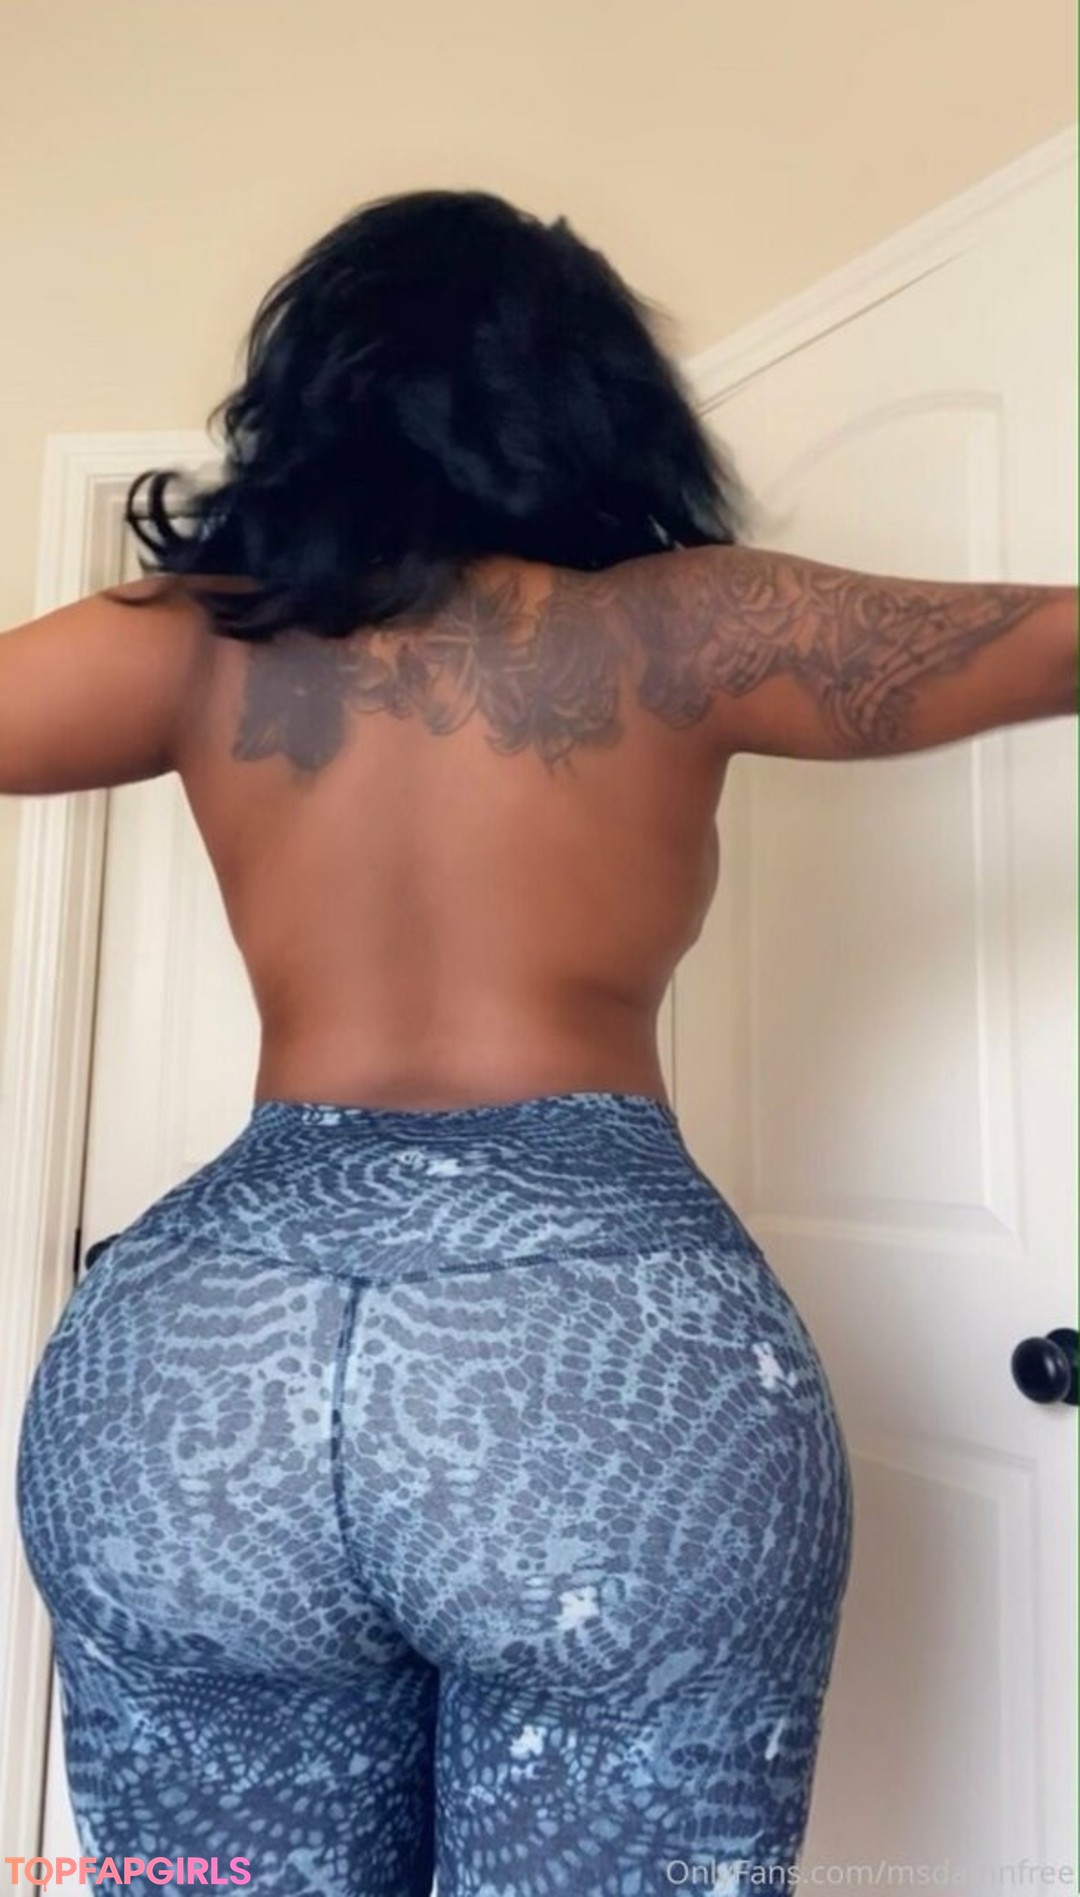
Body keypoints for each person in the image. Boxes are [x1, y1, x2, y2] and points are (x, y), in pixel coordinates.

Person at [7, 188, 1076, 1897]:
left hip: (201, 1359)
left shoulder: (204, 633)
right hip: (594, 1352)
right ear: (592, 399)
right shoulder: (683, 624)